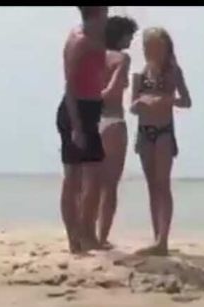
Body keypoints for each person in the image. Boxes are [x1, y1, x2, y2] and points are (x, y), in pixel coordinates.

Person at [130, 27, 191, 256]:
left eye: (156, 46)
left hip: (164, 131)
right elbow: (132, 106)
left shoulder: (173, 72)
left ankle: (163, 239)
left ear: (165, 48)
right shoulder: (140, 74)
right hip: (145, 132)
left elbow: (186, 101)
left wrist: (167, 100)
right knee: (152, 187)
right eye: (148, 46)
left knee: (163, 184)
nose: (152, 50)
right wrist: (143, 102)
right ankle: (157, 237)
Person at [57, 6, 109, 255]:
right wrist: (76, 126)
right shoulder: (79, 40)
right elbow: (69, 85)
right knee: (73, 179)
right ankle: (73, 239)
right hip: (75, 110)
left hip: (91, 109)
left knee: (96, 174)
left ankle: (87, 232)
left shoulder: (96, 38)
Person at [94, 15, 137, 250]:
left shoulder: (92, 56)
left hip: (90, 120)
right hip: (111, 120)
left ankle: (85, 232)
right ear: (119, 36)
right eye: (129, 35)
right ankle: (101, 238)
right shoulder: (122, 58)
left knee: (89, 181)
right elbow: (111, 92)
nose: (131, 40)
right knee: (109, 185)